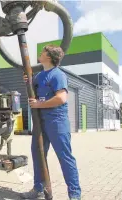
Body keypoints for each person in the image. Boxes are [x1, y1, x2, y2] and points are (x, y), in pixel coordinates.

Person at [20, 45, 81, 200]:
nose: (40, 54)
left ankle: (75, 195)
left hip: (57, 121)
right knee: (38, 154)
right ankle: (38, 190)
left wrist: (39, 104)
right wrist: (27, 80)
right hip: (40, 123)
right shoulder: (40, 76)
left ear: (49, 57)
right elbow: (32, 91)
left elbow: (61, 98)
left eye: (43, 52)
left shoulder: (58, 75)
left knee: (65, 157)